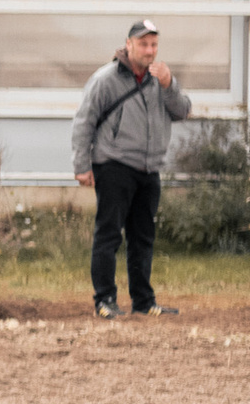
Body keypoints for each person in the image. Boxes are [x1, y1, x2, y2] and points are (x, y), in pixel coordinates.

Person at [72, 19, 190, 319]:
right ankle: (104, 300)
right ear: (129, 45)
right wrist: (82, 166)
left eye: (153, 45)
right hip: (114, 164)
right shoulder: (106, 79)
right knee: (109, 234)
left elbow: (182, 111)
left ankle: (143, 301)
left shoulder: (160, 80)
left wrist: (169, 84)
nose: (149, 51)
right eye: (143, 44)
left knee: (143, 237)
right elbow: (84, 122)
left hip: (149, 168)